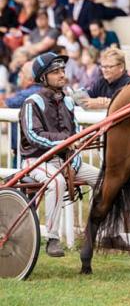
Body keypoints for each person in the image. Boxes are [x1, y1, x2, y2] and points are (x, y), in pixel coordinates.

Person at [19, 52, 100, 257]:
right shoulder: (32, 102)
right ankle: (53, 238)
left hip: (65, 160)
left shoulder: (69, 102)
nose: (62, 74)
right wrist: (66, 142)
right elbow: (33, 136)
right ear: (43, 77)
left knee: (103, 179)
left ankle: (96, 232)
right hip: (36, 160)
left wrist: (74, 158)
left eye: (62, 70)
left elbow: (74, 136)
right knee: (57, 183)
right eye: (55, 71)